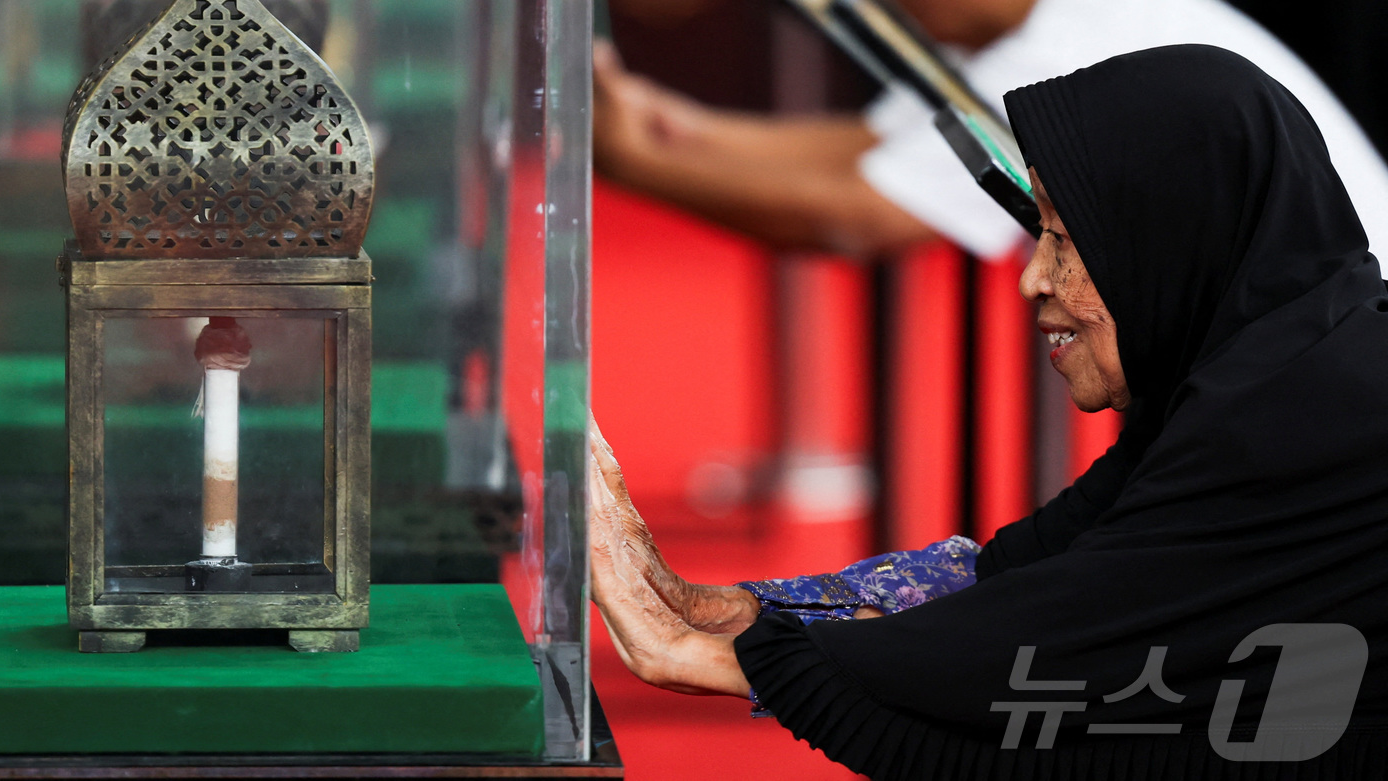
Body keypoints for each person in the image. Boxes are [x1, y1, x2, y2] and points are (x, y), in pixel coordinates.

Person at [589, 45, 1388, 778]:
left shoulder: (1315, 412)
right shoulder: (1269, 359)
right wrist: (745, 611)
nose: (1032, 279)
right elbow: (1020, 575)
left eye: (1067, 240)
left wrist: (722, 656)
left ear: (1174, 238)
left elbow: (1047, 648)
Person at [593, 0, 1388, 261]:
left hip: (1331, 368)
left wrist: (632, 162)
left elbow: (862, 214)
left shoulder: (1070, 47)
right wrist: (680, 129)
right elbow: (877, 149)